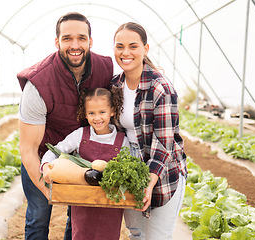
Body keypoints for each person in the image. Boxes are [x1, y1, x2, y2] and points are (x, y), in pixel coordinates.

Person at [16, 12, 113, 240]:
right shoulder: (38, 82)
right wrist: (46, 189)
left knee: (77, 221)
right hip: (41, 159)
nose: (75, 45)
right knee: (38, 219)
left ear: (90, 41)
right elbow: (28, 149)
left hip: (83, 160)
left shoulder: (106, 69)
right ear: (57, 42)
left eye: (81, 38)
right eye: (67, 38)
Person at [111, 22, 188, 240]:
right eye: (120, 46)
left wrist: (149, 180)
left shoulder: (160, 88)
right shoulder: (114, 85)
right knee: (136, 234)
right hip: (131, 169)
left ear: (145, 49)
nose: (125, 53)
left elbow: (164, 142)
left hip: (163, 171)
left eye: (133, 46)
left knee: (157, 236)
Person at [41, 87, 130, 240]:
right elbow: (56, 150)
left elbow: (129, 167)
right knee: (81, 235)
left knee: (108, 235)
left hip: (110, 203)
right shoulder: (80, 135)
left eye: (102, 112)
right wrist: (46, 165)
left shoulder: (122, 141)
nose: (97, 118)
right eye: (91, 113)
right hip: (82, 201)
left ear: (113, 111)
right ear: (85, 114)